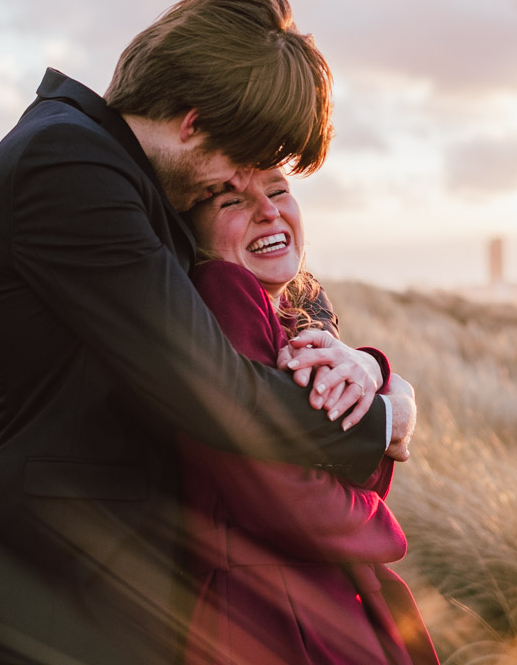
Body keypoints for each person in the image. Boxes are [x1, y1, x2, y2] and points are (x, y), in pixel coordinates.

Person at [0, 0, 417, 665]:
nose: (241, 187)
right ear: (193, 122)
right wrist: (386, 422)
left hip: (122, 590)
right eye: (241, 166)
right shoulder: (67, 166)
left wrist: (371, 370)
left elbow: (277, 296)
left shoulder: (125, 176)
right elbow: (212, 386)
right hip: (67, 599)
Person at [180, 168, 438, 664]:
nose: (269, 209)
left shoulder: (288, 319)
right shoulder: (221, 284)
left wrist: (376, 371)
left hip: (298, 596)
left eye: (278, 190)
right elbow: (274, 493)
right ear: (193, 229)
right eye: (230, 202)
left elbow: (344, 463)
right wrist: (378, 522)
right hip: (273, 612)